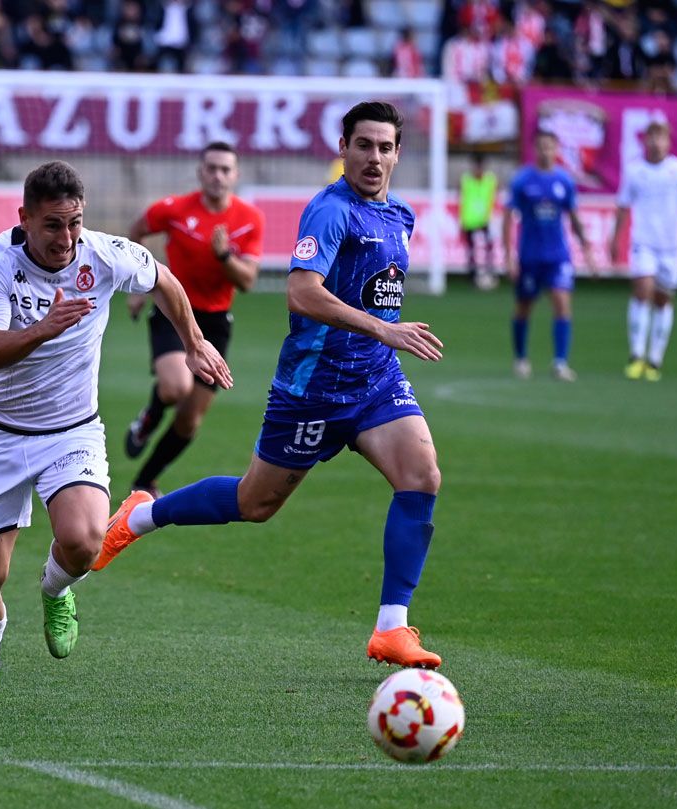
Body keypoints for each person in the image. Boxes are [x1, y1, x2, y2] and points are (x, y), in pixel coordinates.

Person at [95, 101, 448, 670]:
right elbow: (301, 292)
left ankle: (392, 628)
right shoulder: (330, 212)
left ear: (398, 153)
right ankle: (139, 516)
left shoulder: (401, 215)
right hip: (313, 387)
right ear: (344, 149)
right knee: (253, 503)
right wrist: (385, 327)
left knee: (422, 475)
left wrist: (382, 341)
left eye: (385, 147)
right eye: (363, 145)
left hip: (376, 380)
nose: (374, 158)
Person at [0, 160, 231, 708]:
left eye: (75, 222)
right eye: (53, 225)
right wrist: (42, 329)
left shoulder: (104, 254)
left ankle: (55, 589)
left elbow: (164, 280)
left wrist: (193, 341)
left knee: (83, 542)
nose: (67, 237)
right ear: (24, 219)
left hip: (71, 431)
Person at [123, 141, 264, 497]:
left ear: (236, 175)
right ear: (200, 172)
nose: (218, 175)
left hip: (216, 322)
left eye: (225, 169)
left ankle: (145, 480)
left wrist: (224, 257)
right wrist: (137, 288)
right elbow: (135, 233)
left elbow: (246, 281)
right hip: (174, 309)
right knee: (176, 388)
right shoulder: (173, 209)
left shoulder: (250, 219)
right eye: (211, 168)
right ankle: (148, 420)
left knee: (190, 419)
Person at [610, 120, 677, 382]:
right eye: (651, 137)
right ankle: (636, 355)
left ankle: (654, 359)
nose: (656, 142)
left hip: (671, 248)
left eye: (660, 137)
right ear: (645, 141)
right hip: (644, 243)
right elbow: (622, 207)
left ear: (668, 141)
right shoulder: (635, 171)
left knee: (663, 300)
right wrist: (615, 239)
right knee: (642, 291)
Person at [502, 129, 591, 381]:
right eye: (541, 146)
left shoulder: (564, 181)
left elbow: (573, 217)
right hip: (530, 256)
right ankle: (521, 358)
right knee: (523, 307)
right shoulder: (523, 181)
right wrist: (509, 256)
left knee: (562, 305)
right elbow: (508, 218)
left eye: (550, 147)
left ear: (556, 150)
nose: (546, 151)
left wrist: (587, 251)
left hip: (558, 257)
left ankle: (560, 362)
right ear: (535, 149)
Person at [458, 152, 497, 290]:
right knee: (471, 250)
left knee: (487, 249)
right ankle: (473, 276)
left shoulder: (490, 180)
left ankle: (489, 273)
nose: (478, 170)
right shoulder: (466, 180)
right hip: (470, 220)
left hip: (485, 220)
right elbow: (463, 199)